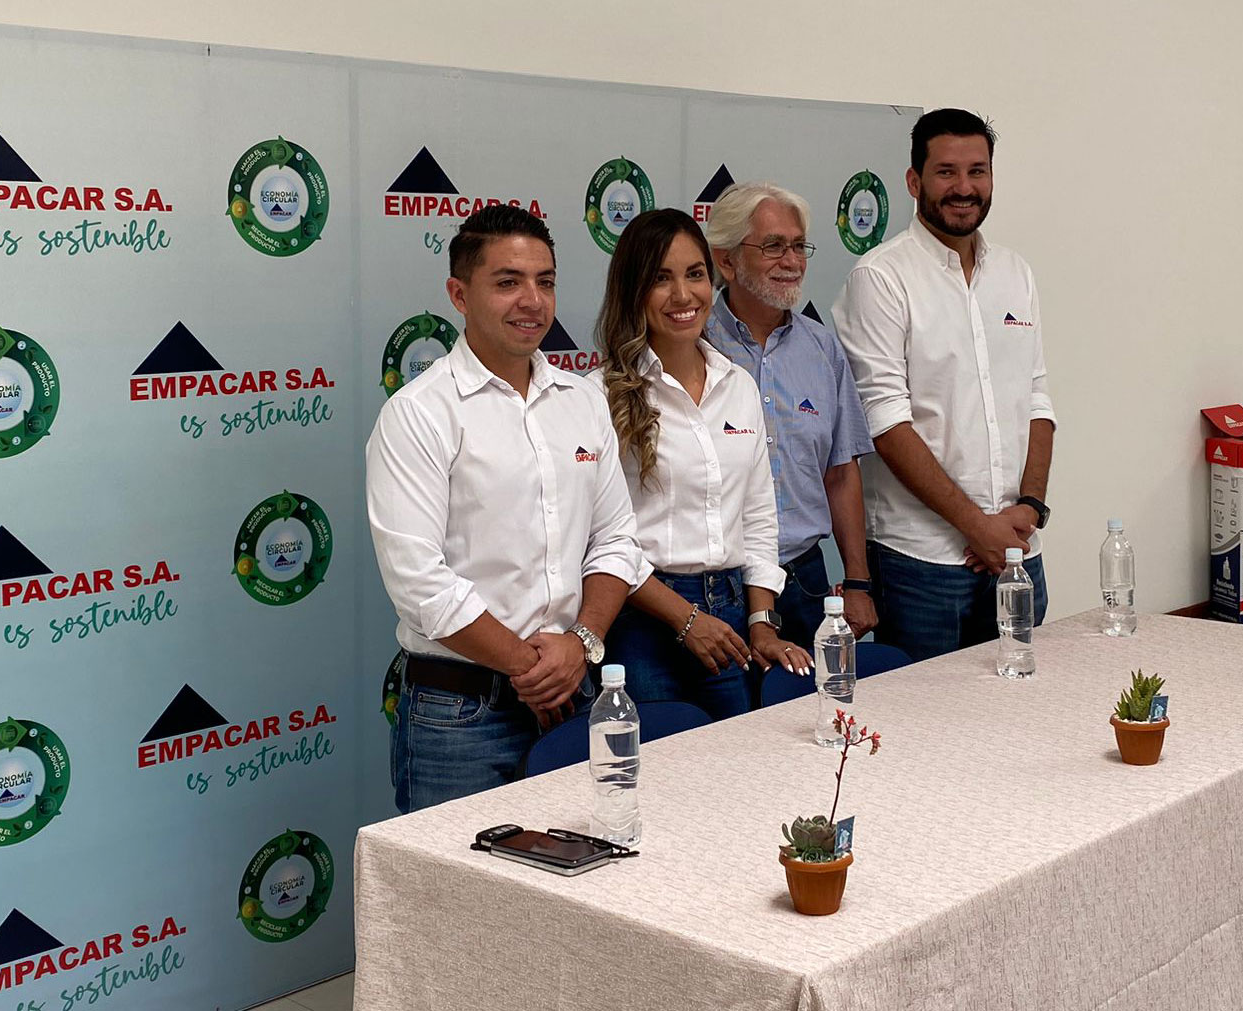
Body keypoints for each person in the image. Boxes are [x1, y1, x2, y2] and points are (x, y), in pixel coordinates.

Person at [367, 205, 644, 813]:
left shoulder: (582, 400)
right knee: (452, 877)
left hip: (575, 690)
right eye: (508, 282)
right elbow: (419, 581)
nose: (532, 301)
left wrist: (581, 643)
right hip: (459, 714)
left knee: (587, 864)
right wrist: (532, 668)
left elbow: (617, 540)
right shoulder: (419, 414)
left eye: (545, 281)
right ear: (459, 295)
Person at [832, 108, 1056, 663]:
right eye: (946, 172)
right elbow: (886, 424)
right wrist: (976, 527)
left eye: (977, 171)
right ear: (914, 182)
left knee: (1021, 700)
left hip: (1018, 549)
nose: (964, 187)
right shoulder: (880, 278)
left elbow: (1037, 398)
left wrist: (1030, 507)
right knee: (924, 712)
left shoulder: (1016, 272)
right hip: (920, 563)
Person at [589, 208, 813, 718]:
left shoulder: (738, 385)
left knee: (737, 759)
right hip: (643, 617)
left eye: (694, 274)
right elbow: (602, 540)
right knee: (659, 761)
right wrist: (685, 618)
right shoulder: (599, 395)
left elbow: (759, 517)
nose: (683, 294)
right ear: (632, 290)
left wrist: (761, 622)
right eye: (660, 279)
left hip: (731, 613)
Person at [702, 181, 877, 648]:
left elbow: (841, 473)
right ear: (726, 261)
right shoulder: (692, 346)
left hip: (804, 579)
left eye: (799, 246)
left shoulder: (823, 349)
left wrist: (857, 582)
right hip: (716, 586)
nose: (792, 261)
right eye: (774, 246)